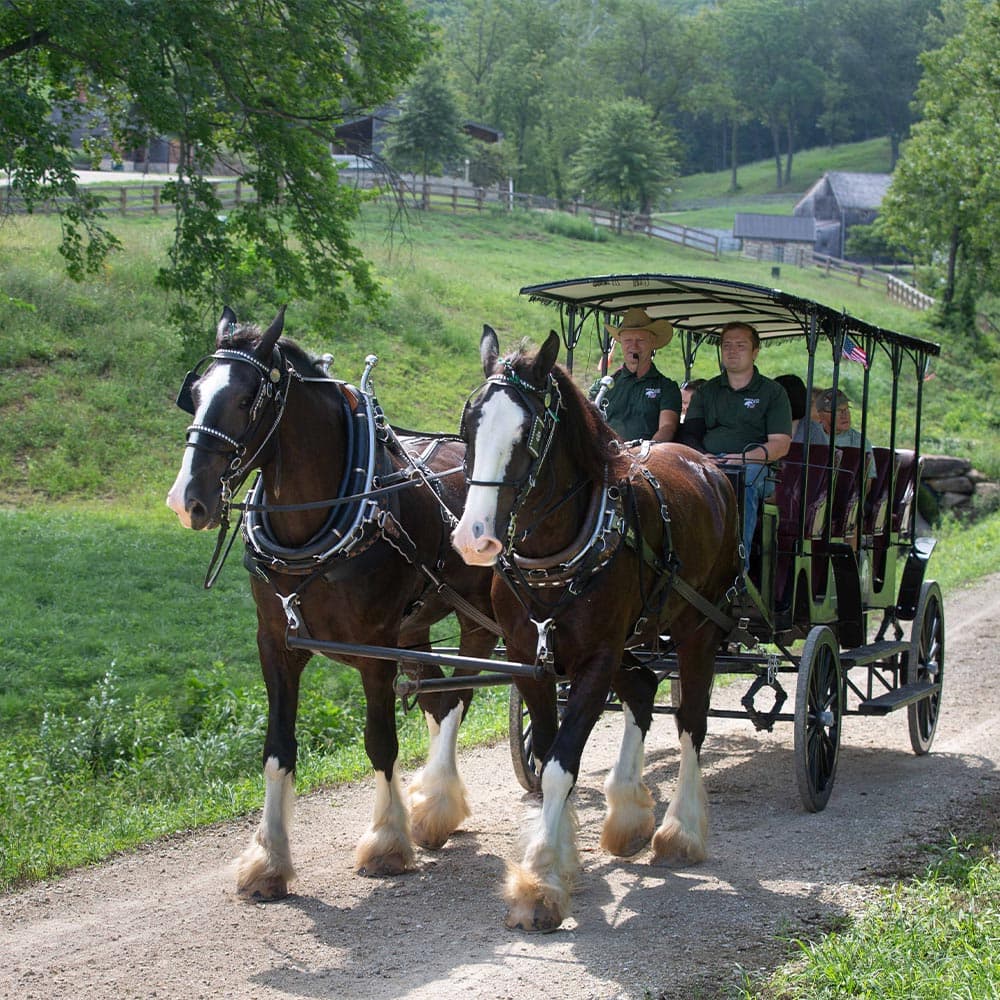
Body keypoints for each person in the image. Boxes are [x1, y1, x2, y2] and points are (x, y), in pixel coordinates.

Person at [681, 322, 792, 566]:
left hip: (755, 467)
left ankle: (736, 566)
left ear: (755, 352)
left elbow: (780, 445)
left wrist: (740, 459)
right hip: (709, 460)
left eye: (740, 345)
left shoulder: (773, 393)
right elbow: (689, 435)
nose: (732, 351)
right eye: (727, 345)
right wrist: (702, 457)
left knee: (742, 481)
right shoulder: (707, 391)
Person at [589, 307, 681, 442]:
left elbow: (667, 428)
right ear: (621, 343)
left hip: (645, 458)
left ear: (652, 343)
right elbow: (589, 425)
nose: (634, 346)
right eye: (628, 340)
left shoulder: (667, 388)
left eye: (640, 340)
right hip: (608, 456)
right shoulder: (603, 386)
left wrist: (647, 453)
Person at [816, 388, 875, 481]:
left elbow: (866, 485)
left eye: (847, 409)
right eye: (838, 410)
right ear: (821, 414)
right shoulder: (811, 434)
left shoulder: (859, 442)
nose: (845, 415)